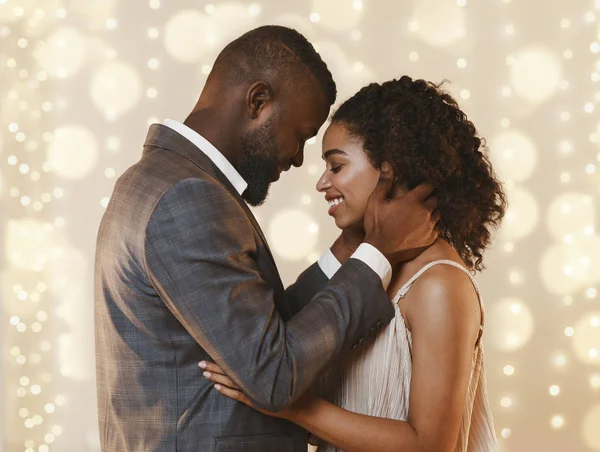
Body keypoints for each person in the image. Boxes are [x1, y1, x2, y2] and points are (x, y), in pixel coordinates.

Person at [94, 27, 439, 451]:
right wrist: (377, 254)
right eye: (300, 136)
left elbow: (255, 332)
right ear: (258, 102)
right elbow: (272, 374)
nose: (296, 158)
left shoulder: (160, 181)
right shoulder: (188, 198)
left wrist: (350, 248)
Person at [201, 76, 507, 451]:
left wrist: (290, 405)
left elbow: (431, 445)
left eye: (336, 166)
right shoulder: (369, 271)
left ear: (388, 170)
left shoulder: (438, 285)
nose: (321, 183)